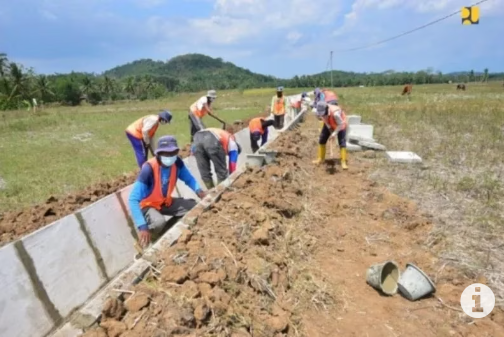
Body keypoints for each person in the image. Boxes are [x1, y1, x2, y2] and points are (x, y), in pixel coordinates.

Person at [128, 135, 206, 247]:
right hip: (147, 205)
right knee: (158, 222)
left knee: (194, 208)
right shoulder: (148, 169)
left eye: (172, 153)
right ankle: (150, 240)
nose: (169, 156)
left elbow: (188, 178)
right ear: (158, 154)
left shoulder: (177, 163)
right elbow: (133, 199)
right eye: (166, 153)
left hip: (164, 201)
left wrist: (199, 191)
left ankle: (166, 235)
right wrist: (142, 226)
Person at [312, 101, 348, 170]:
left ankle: (343, 161)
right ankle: (321, 158)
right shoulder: (320, 112)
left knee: (342, 142)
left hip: (341, 124)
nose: (322, 115)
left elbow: (341, 124)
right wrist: (329, 128)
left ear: (327, 109)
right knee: (322, 138)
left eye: (323, 113)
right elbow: (324, 119)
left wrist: (334, 134)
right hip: (329, 123)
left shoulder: (335, 113)